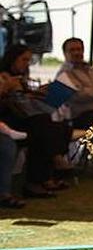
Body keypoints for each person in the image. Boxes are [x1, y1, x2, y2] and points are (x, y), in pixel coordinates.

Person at [0, 43, 75, 197]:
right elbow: (11, 102)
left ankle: (43, 178)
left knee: (52, 126)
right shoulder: (4, 76)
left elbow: (22, 99)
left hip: (23, 118)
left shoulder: (20, 78)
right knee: (42, 126)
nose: (26, 64)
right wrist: (6, 88)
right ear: (12, 60)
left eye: (28, 60)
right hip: (8, 120)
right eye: (23, 60)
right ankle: (47, 172)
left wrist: (34, 93)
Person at [54, 37, 93, 130]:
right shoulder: (64, 74)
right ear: (65, 53)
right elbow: (76, 95)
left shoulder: (89, 69)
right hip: (79, 116)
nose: (76, 53)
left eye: (79, 49)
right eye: (72, 50)